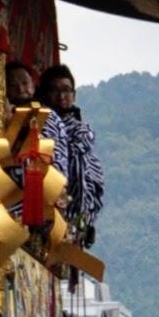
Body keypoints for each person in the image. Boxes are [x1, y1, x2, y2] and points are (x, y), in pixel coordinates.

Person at [38, 64, 105, 249]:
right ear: (44, 94)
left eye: (66, 90)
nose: (61, 96)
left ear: (74, 95)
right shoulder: (41, 125)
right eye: (54, 90)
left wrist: (84, 219)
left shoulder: (81, 131)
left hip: (75, 220)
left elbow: (90, 180)